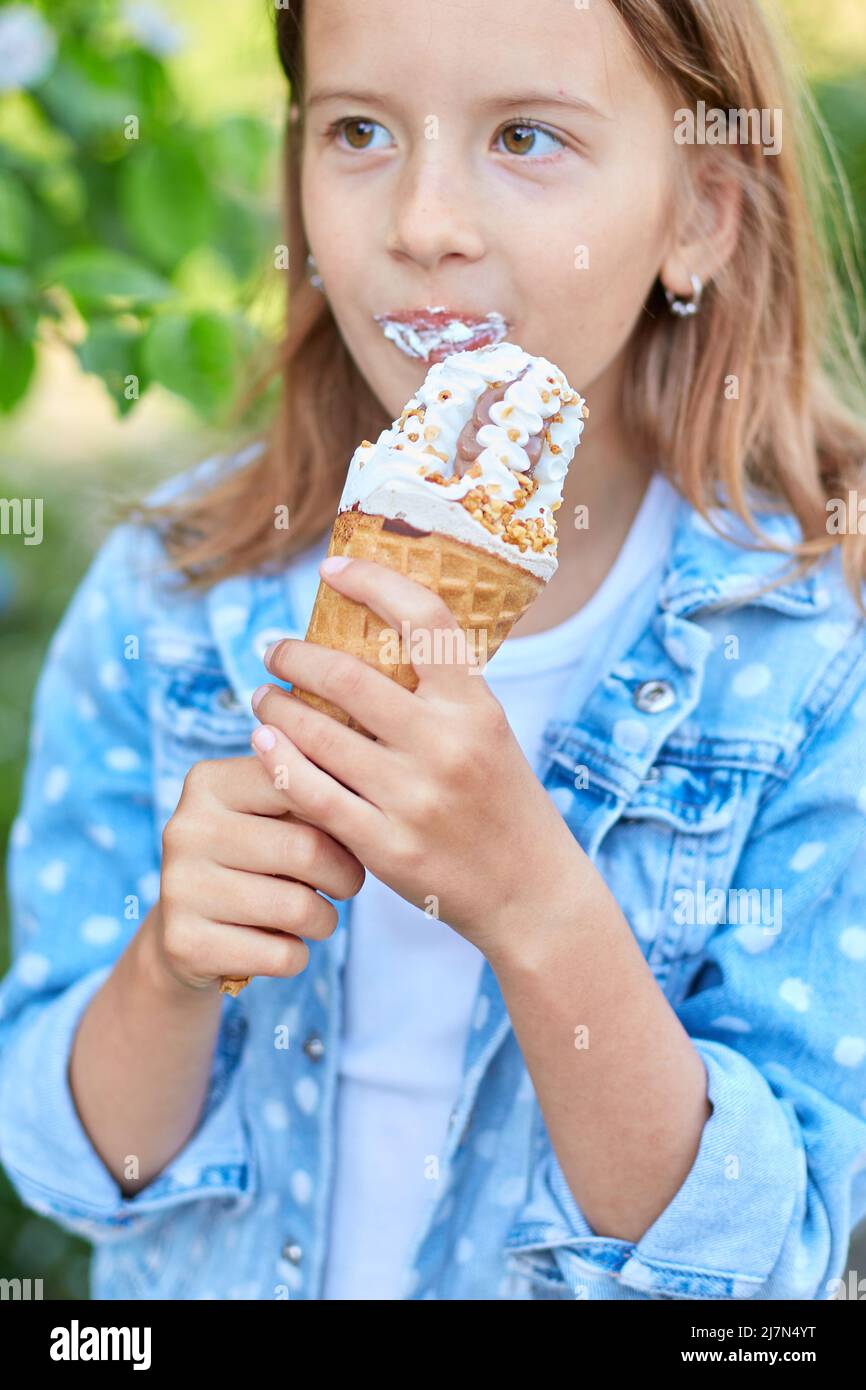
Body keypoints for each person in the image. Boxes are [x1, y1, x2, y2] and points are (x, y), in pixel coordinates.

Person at [2, 0, 866, 1302]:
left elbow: (762, 1265)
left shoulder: (809, 658)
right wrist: (170, 973)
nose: (420, 223)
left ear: (699, 213)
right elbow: (78, 1166)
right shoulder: (169, 602)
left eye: (524, 136)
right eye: (358, 129)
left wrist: (534, 902)